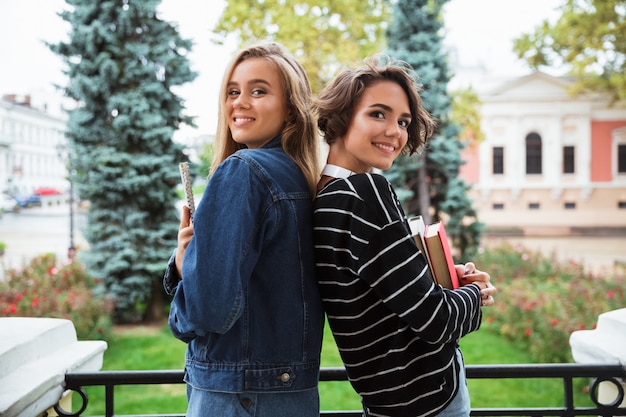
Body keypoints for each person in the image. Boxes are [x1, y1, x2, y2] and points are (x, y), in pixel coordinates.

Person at [312, 56, 497, 417]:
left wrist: (443, 277)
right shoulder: (365, 192)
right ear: (341, 117)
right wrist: (476, 295)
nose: (395, 132)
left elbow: (376, 293)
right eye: (378, 114)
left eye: (403, 121)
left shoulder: (323, 199)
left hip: (385, 401)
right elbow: (435, 320)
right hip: (430, 398)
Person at [163, 41, 324, 417]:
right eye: (233, 92)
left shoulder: (243, 171)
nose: (240, 102)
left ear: (291, 109)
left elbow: (208, 312)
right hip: (292, 394)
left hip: (237, 395)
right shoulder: (303, 178)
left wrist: (187, 276)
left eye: (259, 91)